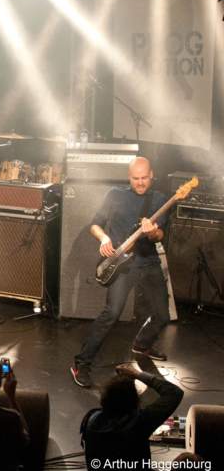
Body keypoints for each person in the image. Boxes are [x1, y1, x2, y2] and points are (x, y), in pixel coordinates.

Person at [71, 157, 170, 388]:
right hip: (122, 264)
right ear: (129, 177)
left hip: (148, 261)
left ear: (152, 175)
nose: (140, 182)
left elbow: (159, 235)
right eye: (135, 178)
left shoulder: (160, 200)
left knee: (162, 315)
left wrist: (151, 232)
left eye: (144, 178)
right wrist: (104, 238)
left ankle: (142, 345)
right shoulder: (115, 195)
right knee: (112, 313)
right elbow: (95, 224)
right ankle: (81, 364)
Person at [80, 364, 183, 470]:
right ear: (135, 401)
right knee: (186, 460)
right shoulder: (141, 422)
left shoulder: (91, 419)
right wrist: (137, 374)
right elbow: (174, 393)